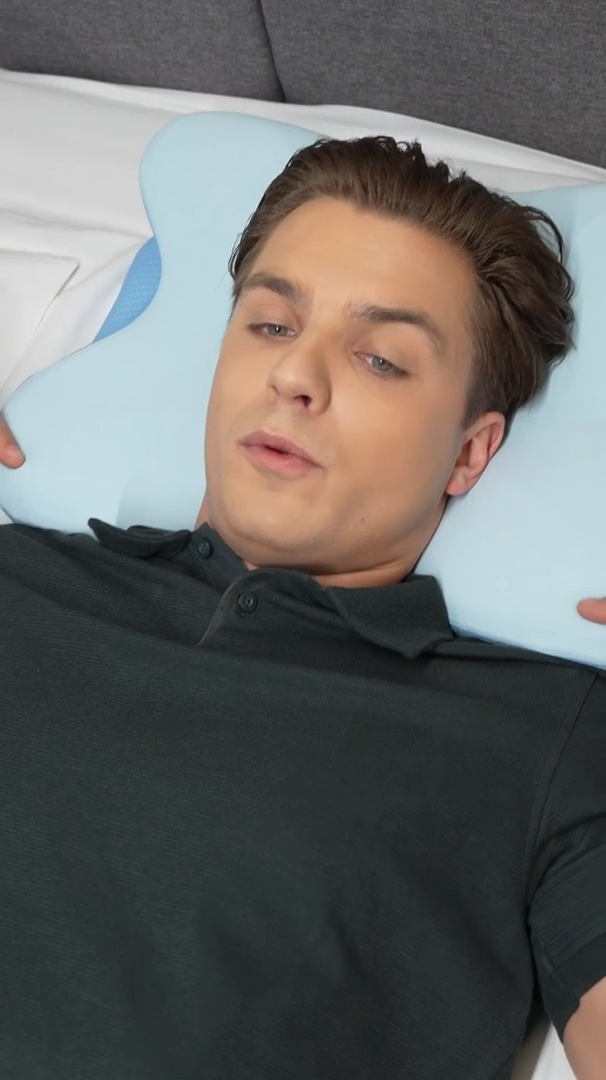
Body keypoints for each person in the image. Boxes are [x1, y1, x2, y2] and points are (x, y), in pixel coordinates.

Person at [1, 136, 605, 1080]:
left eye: (381, 359)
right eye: (272, 324)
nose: (294, 377)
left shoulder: (543, 736)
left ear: (469, 454)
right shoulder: (20, 576)